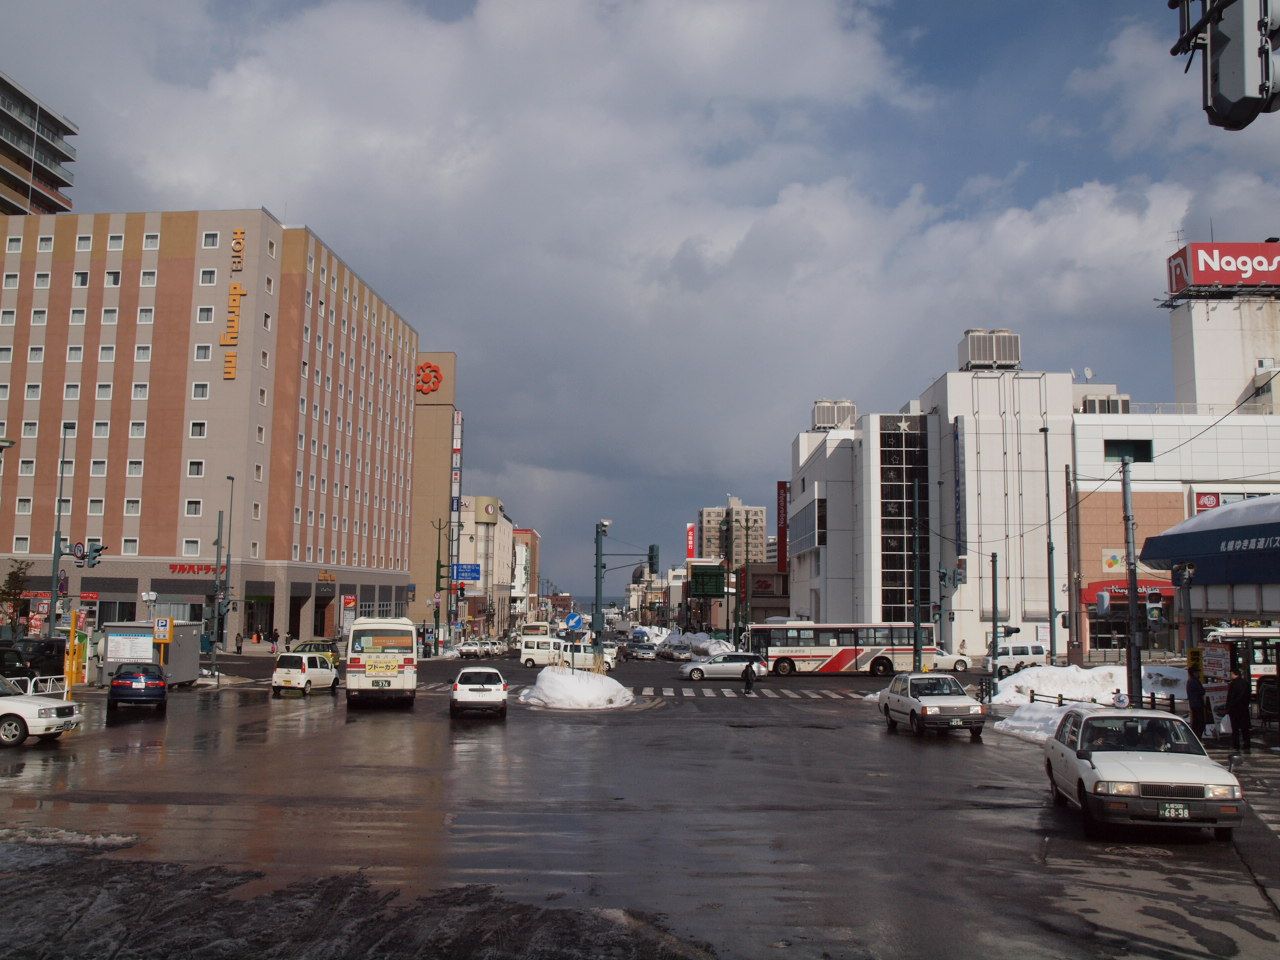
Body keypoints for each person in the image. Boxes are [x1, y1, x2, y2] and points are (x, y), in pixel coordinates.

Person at [1225, 667, 1252, 753]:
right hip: (1244, 709)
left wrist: (1228, 707)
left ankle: (1236, 745)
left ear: (1234, 674)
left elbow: (1231, 697)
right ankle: (1247, 744)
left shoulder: (1233, 684)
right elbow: (1248, 695)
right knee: (1245, 728)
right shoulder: (1245, 683)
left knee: (1235, 728)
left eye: (1231, 674)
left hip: (1235, 710)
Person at [1186, 669, 1207, 739]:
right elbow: (1202, 691)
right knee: (1199, 722)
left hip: (1194, 704)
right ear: (1194, 673)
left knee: (1196, 722)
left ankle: (1197, 737)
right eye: (1197, 672)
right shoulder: (1194, 681)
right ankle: (1197, 738)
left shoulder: (1190, 681)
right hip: (1197, 704)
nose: (1199, 674)